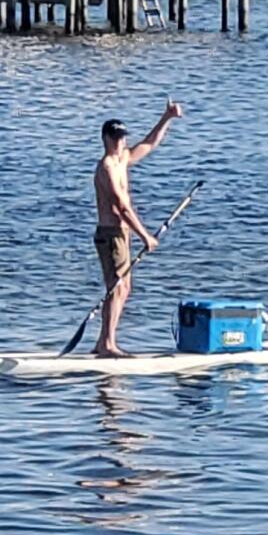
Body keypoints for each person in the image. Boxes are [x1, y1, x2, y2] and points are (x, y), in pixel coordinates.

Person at [93, 102, 182, 357]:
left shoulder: (123, 159)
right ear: (106, 139)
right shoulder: (106, 167)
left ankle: (103, 342)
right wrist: (145, 236)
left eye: (123, 138)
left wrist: (167, 117)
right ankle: (108, 344)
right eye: (117, 138)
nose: (122, 143)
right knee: (116, 287)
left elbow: (149, 143)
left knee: (124, 288)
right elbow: (121, 206)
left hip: (123, 235)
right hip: (110, 235)